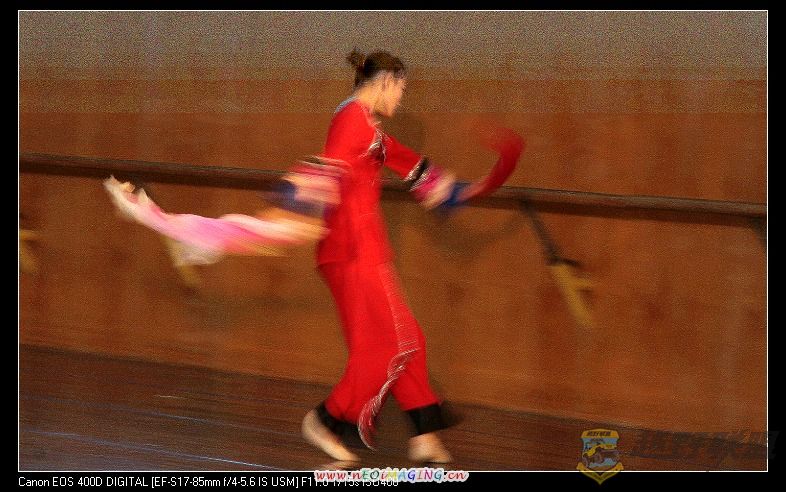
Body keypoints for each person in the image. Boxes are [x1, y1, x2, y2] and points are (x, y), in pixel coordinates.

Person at [300, 49, 466, 464]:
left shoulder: (362, 122)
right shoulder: (351, 121)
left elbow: (394, 154)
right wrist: (296, 197)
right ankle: (326, 420)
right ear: (386, 80)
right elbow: (332, 166)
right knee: (390, 347)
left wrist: (445, 189)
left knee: (407, 342)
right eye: (401, 89)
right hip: (353, 252)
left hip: (359, 251)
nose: (400, 98)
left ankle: (425, 433)